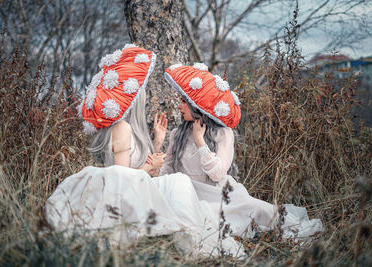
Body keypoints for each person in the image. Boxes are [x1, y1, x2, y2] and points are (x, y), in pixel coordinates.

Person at [44, 46, 245, 257]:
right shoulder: (122, 128)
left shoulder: (127, 129)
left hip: (154, 187)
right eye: (142, 94)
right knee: (179, 183)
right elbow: (120, 179)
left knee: (178, 184)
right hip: (128, 196)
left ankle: (188, 234)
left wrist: (156, 144)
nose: (145, 97)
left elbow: (134, 168)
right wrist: (151, 166)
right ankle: (191, 239)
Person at [162, 63, 323, 242]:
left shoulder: (223, 133)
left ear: (196, 105)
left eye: (183, 101)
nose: (179, 106)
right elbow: (168, 168)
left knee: (257, 210)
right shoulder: (177, 134)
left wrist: (200, 142)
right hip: (189, 195)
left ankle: (293, 229)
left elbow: (217, 174)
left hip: (219, 194)